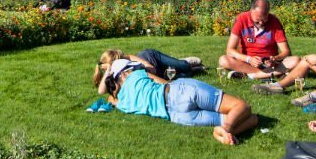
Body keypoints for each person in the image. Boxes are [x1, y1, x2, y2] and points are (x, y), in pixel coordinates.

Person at [96, 50, 256, 145]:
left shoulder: (123, 103)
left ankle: (223, 131)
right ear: (126, 71)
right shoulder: (139, 74)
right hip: (179, 92)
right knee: (243, 108)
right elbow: (165, 82)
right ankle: (224, 130)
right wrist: (132, 59)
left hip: (178, 115)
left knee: (251, 119)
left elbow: (104, 92)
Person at [220, 0, 298, 79]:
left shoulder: (274, 21)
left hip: (270, 64)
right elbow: (230, 50)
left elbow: (286, 52)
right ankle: (274, 74)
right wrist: (248, 59)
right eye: (257, 21)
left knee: (296, 60)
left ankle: (250, 75)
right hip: (246, 63)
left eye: (264, 20)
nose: (261, 23)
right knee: (223, 60)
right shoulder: (241, 19)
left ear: (268, 13)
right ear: (251, 11)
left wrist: (275, 59)